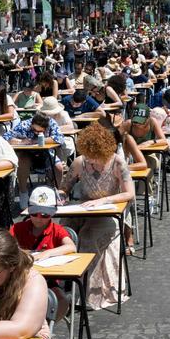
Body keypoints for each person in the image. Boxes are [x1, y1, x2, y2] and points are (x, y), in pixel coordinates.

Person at [58, 123, 133, 310]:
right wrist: (61, 197)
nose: (92, 162)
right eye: (89, 158)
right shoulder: (79, 162)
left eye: (95, 158)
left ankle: (88, 293)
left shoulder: (117, 163)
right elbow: (64, 188)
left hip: (108, 213)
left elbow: (129, 193)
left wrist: (104, 201)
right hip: (84, 210)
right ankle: (60, 284)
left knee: (89, 237)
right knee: (62, 232)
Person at [10, 186, 76, 321]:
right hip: (20, 278)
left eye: (45, 215)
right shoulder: (18, 228)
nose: (39, 219)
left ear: (52, 214)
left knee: (61, 299)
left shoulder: (57, 230)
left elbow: (71, 247)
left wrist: (47, 253)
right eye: (35, 214)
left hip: (49, 280)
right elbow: (5, 247)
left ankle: (46, 328)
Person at [3, 112, 66, 209]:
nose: (36, 133)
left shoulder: (52, 123)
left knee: (59, 167)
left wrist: (36, 140)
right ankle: (23, 192)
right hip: (28, 153)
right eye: (34, 130)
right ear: (31, 124)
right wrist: (20, 142)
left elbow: (60, 138)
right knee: (22, 160)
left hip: (46, 153)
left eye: (40, 132)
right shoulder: (24, 125)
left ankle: (53, 192)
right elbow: (5, 138)